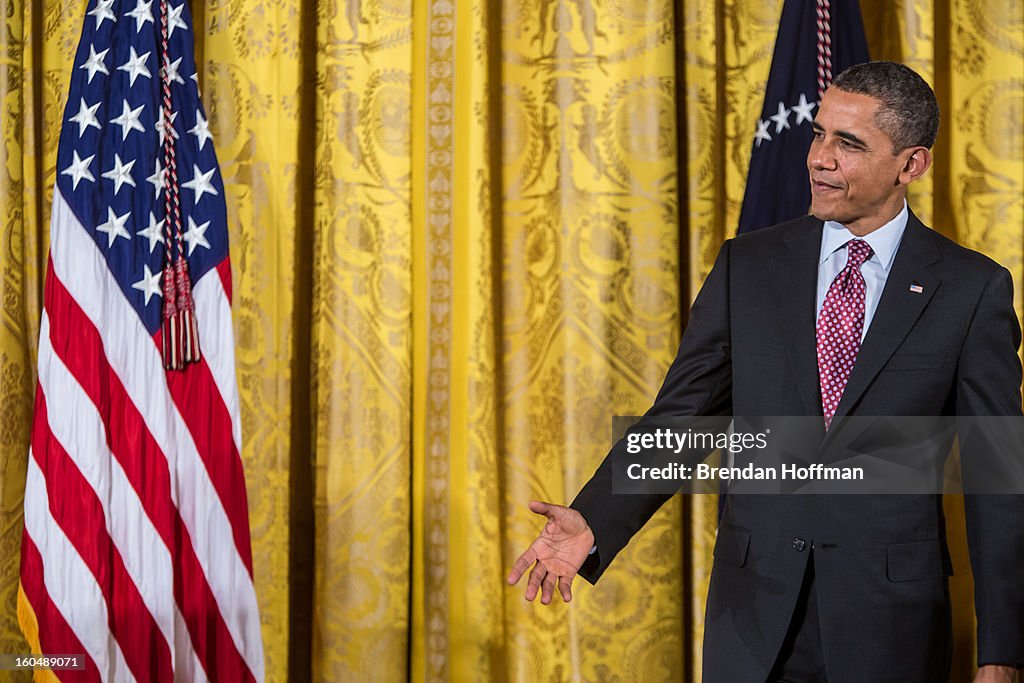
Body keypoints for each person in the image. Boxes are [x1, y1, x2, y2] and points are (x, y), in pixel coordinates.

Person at [507, 61, 1024, 682]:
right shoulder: (747, 267)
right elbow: (684, 418)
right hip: (753, 620)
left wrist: (1002, 652)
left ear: (910, 165)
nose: (819, 158)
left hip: (889, 626)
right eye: (817, 134)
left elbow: (1000, 480)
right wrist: (595, 519)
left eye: (849, 143)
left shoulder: (970, 289)